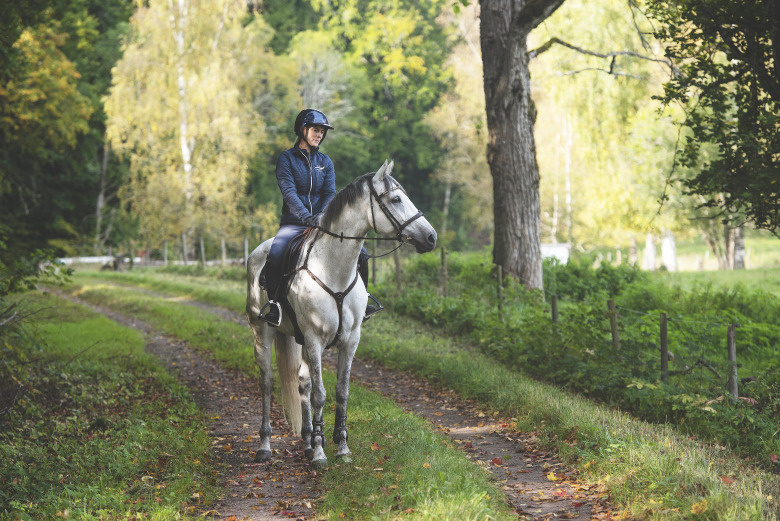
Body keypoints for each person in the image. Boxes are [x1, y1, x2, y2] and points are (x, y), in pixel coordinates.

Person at [258, 108, 382, 326]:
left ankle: (363, 301)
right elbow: (289, 193)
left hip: (322, 224)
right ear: (303, 130)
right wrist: (306, 217)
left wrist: (322, 217)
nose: (320, 135)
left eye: (322, 132)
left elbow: (329, 193)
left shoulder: (326, 161)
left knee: (361, 253)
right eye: (316, 130)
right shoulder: (287, 159)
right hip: (294, 223)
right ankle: (274, 305)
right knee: (277, 252)